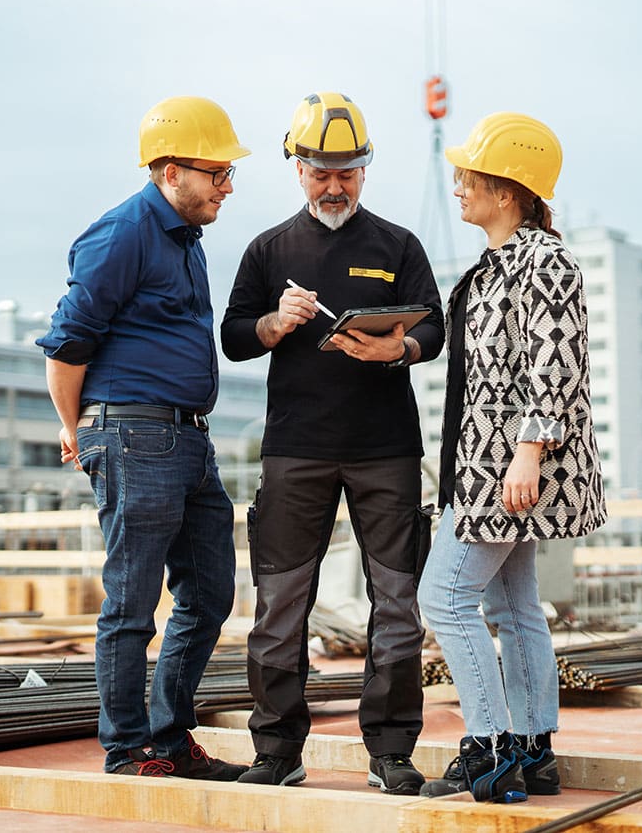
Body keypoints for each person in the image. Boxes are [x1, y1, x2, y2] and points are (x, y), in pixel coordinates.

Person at [221, 91, 445, 794]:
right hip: (296, 451)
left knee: (398, 603)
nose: (335, 185)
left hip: (387, 451)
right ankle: (277, 752)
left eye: (348, 171)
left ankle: (391, 753)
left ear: (365, 170)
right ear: (298, 168)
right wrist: (274, 325)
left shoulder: (398, 245)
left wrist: (399, 348)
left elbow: (435, 329)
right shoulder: (268, 251)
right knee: (280, 604)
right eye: (321, 171)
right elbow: (231, 339)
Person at [36, 96, 251, 780]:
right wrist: (78, 434)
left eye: (226, 171)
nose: (226, 184)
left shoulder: (185, 242)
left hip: (188, 441)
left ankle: (166, 735)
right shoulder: (123, 232)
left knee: (210, 593)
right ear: (168, 171)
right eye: (214, 171)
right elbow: (67, 346)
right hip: (133, 436)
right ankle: (129, 750)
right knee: (132, 603)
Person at [417, 112, 607, 803]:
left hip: (512, 471)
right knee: (514, 603)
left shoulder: (545, 262)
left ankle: (491, 747)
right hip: (491, 467)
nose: (460, 186)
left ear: (509, 190)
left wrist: (528, 453)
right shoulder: (496, 266)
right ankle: (531, 748)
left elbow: (556, 368)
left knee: (443, 596)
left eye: (471, 176)